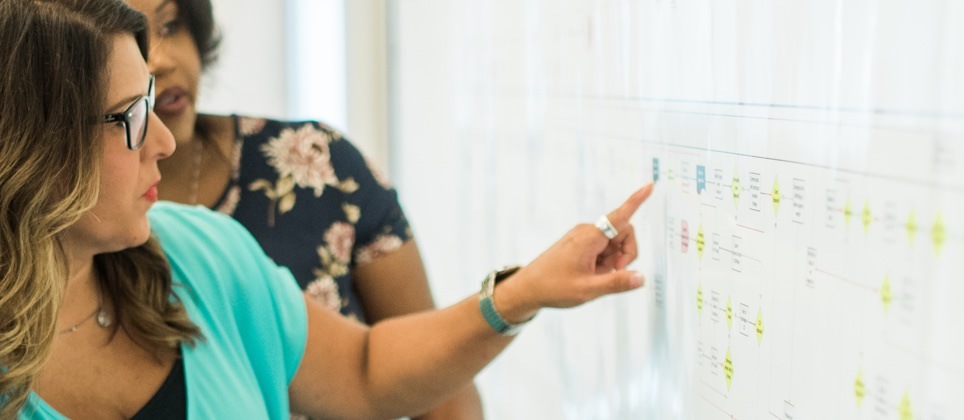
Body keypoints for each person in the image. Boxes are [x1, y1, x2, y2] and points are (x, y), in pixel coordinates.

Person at [0, 0, 653, 418]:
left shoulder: (201, 252)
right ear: (32, 140)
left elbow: (366, 372)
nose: (165, 142)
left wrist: (522, 293)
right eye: (131, 117)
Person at [123, 0, 482, 416]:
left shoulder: (317, 165)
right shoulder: (77, 228)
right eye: (135, 40)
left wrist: (512, 300)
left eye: (171, 25)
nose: (161, 60)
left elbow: (442, 388)